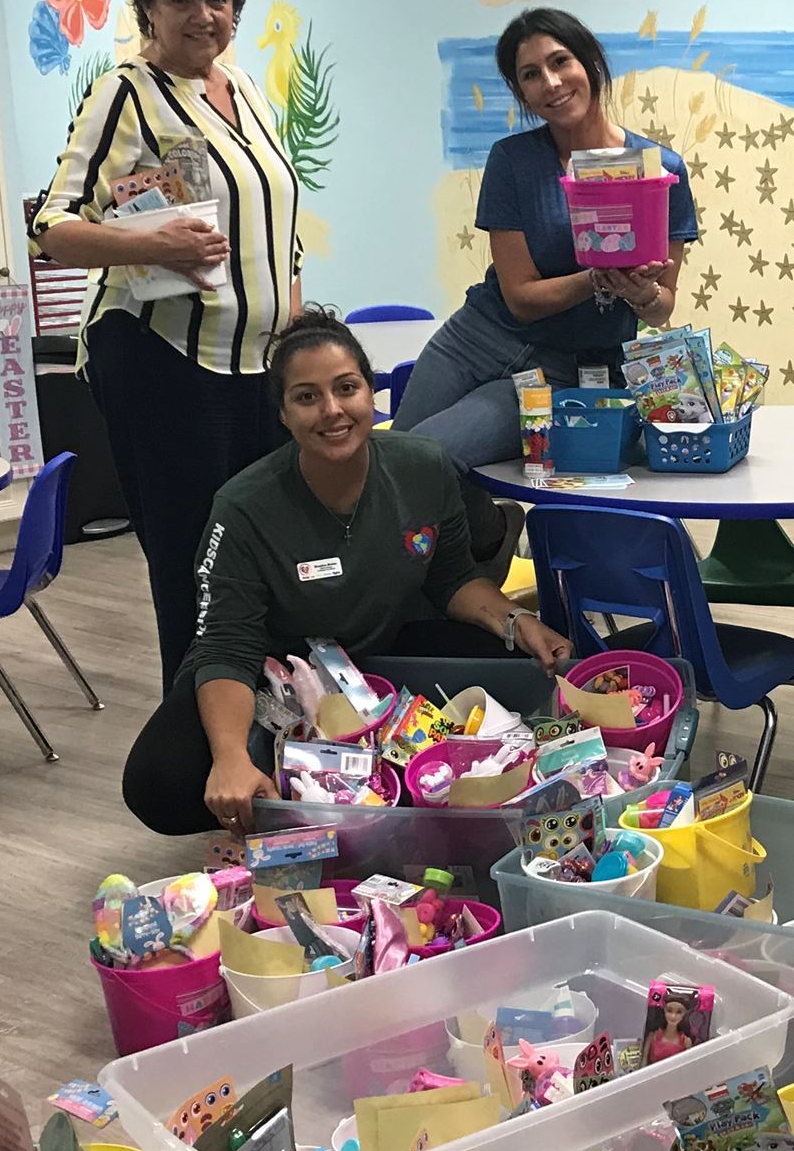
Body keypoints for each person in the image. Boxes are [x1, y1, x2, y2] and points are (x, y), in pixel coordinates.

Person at [122, 313, 573, 838]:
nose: (332, 410)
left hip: (377, 656)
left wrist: (518, 619)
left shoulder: (422, 466)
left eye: (346, 388)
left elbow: (451, 580)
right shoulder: (243, 507)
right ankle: (287, 789)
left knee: (530, 671)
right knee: (161, 783)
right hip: (271, 676)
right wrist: (227, 758)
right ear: (284, 413)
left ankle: (362, 784)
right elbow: (227, 646)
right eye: (307, 397)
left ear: (370, 393)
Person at [34, 0, 304, 688]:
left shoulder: (242, 87)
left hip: (258, 365)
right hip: (165, 361)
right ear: (147, 9)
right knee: (196, 561)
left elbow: (274, 217)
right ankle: (197, 751)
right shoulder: (125, 93)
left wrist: (292, 314)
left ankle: (267, 727)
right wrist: (159, 248)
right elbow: (52, 229)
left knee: (259, 550)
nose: (202, 16)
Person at [393, 8, 698, 471]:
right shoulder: (513, 161)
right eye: (531, 75)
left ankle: (489, 532)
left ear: (589, 63)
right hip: (477, 336)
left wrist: (642, 293)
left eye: (560, 62)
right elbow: (519, 298)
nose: (551, 83)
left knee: (426, 460)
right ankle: (482, 535)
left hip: (566, 370)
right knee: (387, 462)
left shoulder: (660, 171)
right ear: (522, 93)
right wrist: (598, 279)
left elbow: (661, 310)